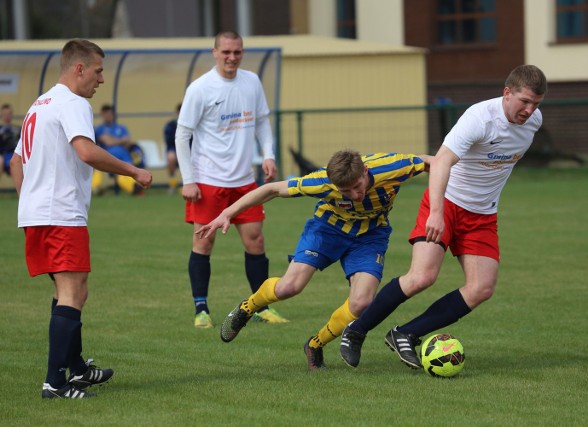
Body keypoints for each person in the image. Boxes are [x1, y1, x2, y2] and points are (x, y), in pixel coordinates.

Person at [339, 65, 547, 370]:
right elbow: (440, 163)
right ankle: (356, 331)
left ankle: (406, 334)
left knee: (481, 289)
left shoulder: (534, 122)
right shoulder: (479, 119)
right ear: (507, 93)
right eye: (524, 102)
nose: (529, 110)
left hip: (482, 214)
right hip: (446, 203)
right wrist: (436, 212)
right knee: (422, 277)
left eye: (536, 104)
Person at [196, 150, 431, 370]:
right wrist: (227, 213)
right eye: (345, 192)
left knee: (361, 303)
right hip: (327, 230)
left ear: (365, 172)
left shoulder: (391, 167)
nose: (354, 195)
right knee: (290, 287)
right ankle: (247, 308)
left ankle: (316, 344)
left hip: (369, 237)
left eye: (357, 187)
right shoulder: (321, 182)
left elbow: (434, 161)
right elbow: (272, 190)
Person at [10, 38, 152, 399]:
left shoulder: (39, 104)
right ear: (79, 69)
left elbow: (15, 162)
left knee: (72, 289)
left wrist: (30, 200)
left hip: (37, 213)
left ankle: (76, 369)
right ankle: (55, 383)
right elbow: (85, 151)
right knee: (72, 291)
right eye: (98, 70)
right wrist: (132, 170)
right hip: (59, 213)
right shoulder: (73, 103)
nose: (101, 79)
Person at [175, 30, 287, 329]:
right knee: (204, 243)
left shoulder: (251, 81)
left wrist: (268, 154)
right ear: (214, 52)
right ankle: (201, 310)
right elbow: (182, 134)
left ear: (242, 52)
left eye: (237, 52)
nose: (231, 57)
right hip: (208, 180)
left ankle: (261, 305)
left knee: (256, 241)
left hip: (244, 181)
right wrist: (188, 180)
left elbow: (262, 121)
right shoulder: (200, 88)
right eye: (226, 52)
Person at [94, 104, 143, 195]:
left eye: (109, 114)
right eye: (105, 114)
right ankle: (95, 189)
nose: (107, 116)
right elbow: (108, 143)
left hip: (124, 155)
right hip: (108, 156)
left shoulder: (121, 127)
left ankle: (135, 187)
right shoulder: (100, 129)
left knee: (128, 172)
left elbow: (128, 142)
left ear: (112, 114)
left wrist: (112, 139)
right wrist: (121, 140)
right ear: (102, 115)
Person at [163, 103, 181, 194]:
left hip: (190, 149)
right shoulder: (171, 125)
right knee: (171, 157)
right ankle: (172, 183)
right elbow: (168, 141)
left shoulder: (193, 124)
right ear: (177, 113)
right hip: (174, 149)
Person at [1, 103, 21, 177]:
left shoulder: (18, 129)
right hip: (2, 156)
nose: (7, 116)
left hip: (15, 155)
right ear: (2, 114)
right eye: (5, 114)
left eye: (9, 114)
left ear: (11, 114)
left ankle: (19, 188)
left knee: (16, 161)